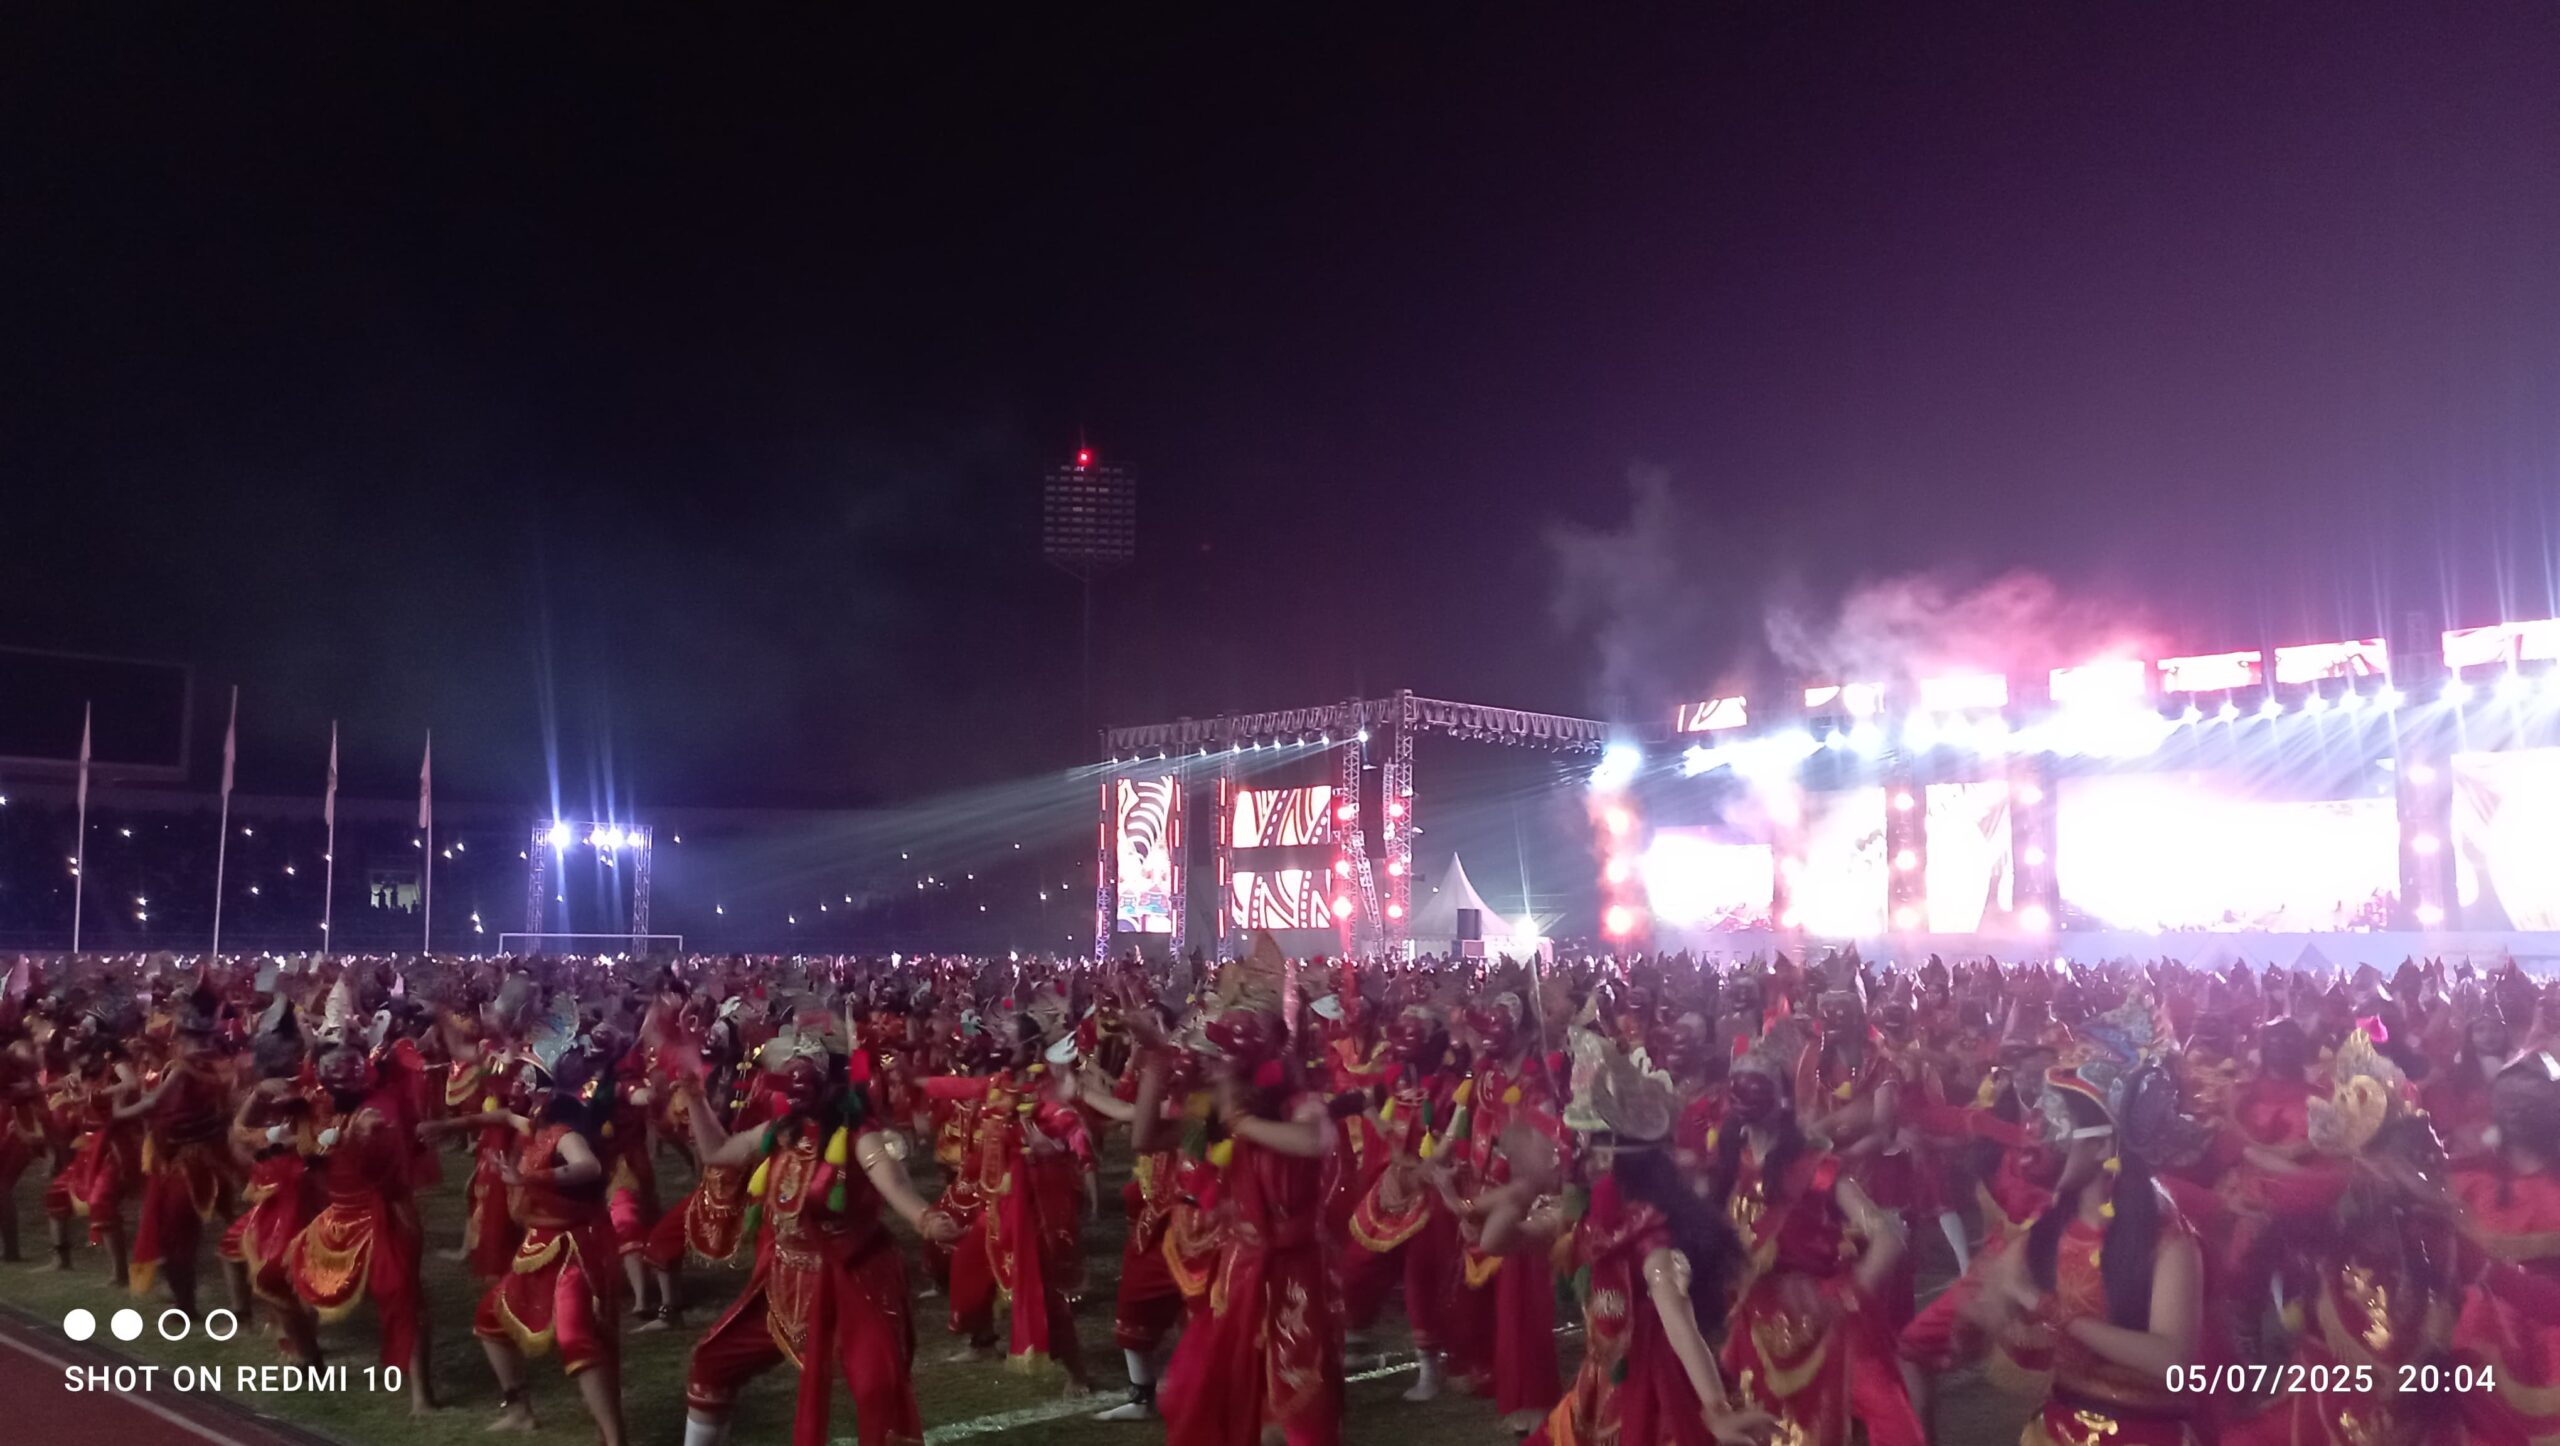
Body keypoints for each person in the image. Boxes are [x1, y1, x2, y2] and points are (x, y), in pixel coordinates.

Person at [678, 1009, 961, 1446]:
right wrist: (696, 1099)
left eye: (802, 1076)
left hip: (852, 1281)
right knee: (711, 1363)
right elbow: (718, 1152)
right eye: (786, 1074)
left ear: (827, 1084)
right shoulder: (778, 1132)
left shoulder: (856, 1136)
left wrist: (923, 1217)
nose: (792, 1085)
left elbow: (892, 1180)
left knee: (878, 1391)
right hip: (785, 1283)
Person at [1966, 994, 2207, 1446]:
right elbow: (2007, 1332)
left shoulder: (2168, 1241)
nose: (2045, 1135)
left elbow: (2174, 1361)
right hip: (2057, 1425)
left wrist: (2050, 1310)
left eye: (2063, 1125)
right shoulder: (2048, 1228)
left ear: (2102, 1145)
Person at [1513, 1026, 1772, 1446]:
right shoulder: (1595, 1217)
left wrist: (1717, 1409)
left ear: (1608, 1157)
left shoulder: (1651, 1237)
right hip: (1599, 1381)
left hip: (1648, 1393)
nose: (1576, 1153)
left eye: (1587, 1142)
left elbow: (1676, 1314)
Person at [1158, 942, 1344, 1446]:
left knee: (1296, 1389)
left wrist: (1244, 1122)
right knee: (1232, 1386)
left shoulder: (1297, 1101)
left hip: (1293, 1267)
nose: (1229, 1055)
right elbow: (1154, 1141)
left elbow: (1315, 1141)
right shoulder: (1213, 1103)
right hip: (1241, 1262)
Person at [1711, 1020, 1924, 1446]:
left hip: (1829, 1323)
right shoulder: (1729, 1164)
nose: (1746, 1098)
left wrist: (1846, 1298)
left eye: (1757, 1088)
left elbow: (1886, 1234)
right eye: (1741, 1087)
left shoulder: (1817, 1169)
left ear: (1781, 1100)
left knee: (1892, 1420)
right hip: (1759, 1320)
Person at [284, 1041, 436, 1414]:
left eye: (348, 1071)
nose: (340, 1079)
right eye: (330, 1073)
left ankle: (422, 1396)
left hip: (385, 1214)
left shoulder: (379, 1109)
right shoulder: (315, 1107)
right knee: (291, 1279)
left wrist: (362, 1138)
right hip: (339, 1215)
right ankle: (309, 1356)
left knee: (404, 1296)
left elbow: (387, 1158)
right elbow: (282, 1136)